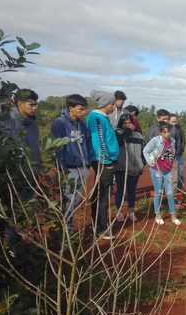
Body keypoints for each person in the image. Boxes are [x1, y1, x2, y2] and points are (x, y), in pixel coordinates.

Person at [50, 94, 91, 232]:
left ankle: (68, 226)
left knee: (76, 200)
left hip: (83, 167)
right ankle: (65, 229)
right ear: (70, 108)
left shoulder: (82, 124)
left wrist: (88, 162)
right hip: (69, 169)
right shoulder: (60, 123)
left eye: (84, 109)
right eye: (80, 109)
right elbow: (57, 146)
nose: (83, 112)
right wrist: (61, 167)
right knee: (68, 198)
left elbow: (87, 143)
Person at [87, 90, 120, 239]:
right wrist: (107, 161)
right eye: (112, 104)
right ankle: (101, 228)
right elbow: (99, 142)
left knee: (101, 193)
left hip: (106, 161)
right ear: (106, 104)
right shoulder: (96, 118)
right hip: (103, 162)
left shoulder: (103, 118)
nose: (114, 106)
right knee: (103, 196)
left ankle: (99, 225)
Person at [143, 121, 181, 225]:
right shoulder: (155, 141)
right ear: (160, 132)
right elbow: (145, 151)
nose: (167, 134)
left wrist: (170, 163)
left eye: (168, 132)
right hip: (157, 170)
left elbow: (170, 154)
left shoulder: (172, 141)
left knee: (170, 193)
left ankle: (173, 216)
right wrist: (151, 162)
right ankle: (158, 215)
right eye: (164, 132)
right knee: (159, 192)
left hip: (167, 171)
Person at [114, 113, 145, 223]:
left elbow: (143, 151)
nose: (127, 125)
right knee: (120, 191)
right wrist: (126, 131)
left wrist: (142, 163)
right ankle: (119, 212)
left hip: (135, 168)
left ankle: (131, 211)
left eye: (129, 123)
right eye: (125, 123)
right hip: (121, 168)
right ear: (121, 124)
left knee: (132, 191)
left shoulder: (138, 135)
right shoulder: (117, 133)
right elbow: (117, 143)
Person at [4, 89, 42, 172]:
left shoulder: (33, 124)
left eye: (36, 105)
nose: (35, 108)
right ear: (19, 104)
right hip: (15, 175)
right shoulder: (8, 123)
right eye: (31, 105)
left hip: (34, 174)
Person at [169, 113, 186, 196]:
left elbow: (183, 140)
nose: (174, 123)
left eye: (175, 121)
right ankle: (172, 194)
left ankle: (179, 192)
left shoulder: (179, 129)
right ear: (169, 121)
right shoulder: (166, 130)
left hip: (179, 155)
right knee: (172, 176)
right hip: (170, 156)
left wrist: (181, 149)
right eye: (172, 122)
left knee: (181, 174)